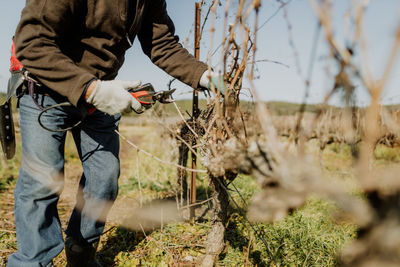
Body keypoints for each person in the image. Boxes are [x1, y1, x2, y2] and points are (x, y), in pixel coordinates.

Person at [8, 1, 224, 266]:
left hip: (102, 90)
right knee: (42, 181)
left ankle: (80, 253)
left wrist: (204, 76)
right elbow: (31, 44)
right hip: (45, 85)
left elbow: (162, 43)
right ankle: (32, 262)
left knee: (104, 180)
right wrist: (91, 90)